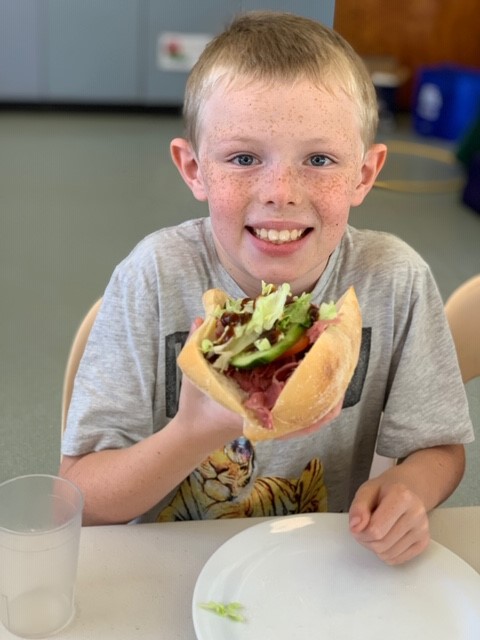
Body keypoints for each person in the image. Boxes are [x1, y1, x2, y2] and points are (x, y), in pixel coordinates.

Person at [60, 11, 473, 565]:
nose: (280, 192)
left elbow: (439, 447)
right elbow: (80, 494)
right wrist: (191, 433)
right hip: (168, 565)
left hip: (319, 566)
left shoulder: (394, 281)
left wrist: (412, 491)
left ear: (365, 175)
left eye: (320, 159)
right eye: (244, 158)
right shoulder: (152, 279)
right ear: (194, 167)